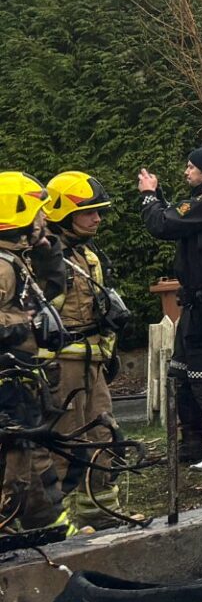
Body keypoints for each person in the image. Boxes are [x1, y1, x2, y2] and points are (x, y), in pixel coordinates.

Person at [136, 147, 202, 471]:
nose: (186, 172)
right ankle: (192, 447)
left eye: (190, 167)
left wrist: (148, 196)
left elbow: (163, 224)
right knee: (182, 375)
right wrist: (161, 197)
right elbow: (181, 217)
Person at [42, 172, 136, 528]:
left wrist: (107, 352)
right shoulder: (45, 259)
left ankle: (100, 513)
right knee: (62, 446)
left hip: (92, 363)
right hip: (59, 370)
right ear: (64, 212)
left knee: (103, 436)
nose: (97, 218)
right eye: (90, 212)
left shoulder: (85, 254)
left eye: (99, 212)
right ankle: (57, 523)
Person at [0, 172, 71, 536]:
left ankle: (48, 530)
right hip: (7, 387)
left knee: (32, 458)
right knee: (13, 464)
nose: (44, 219)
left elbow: (51, 293)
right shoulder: (2, 266)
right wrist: (19, 322)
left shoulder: (18, 259)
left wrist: (49, 250)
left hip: (23, 380)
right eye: (38, 213)